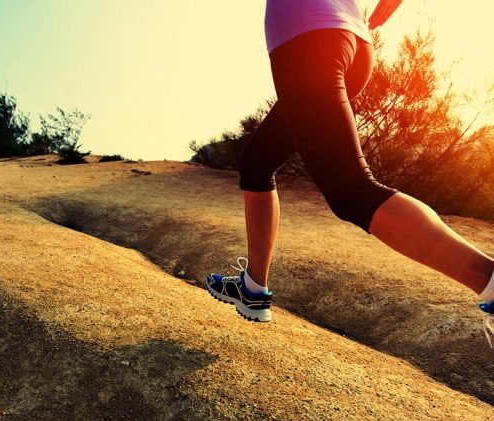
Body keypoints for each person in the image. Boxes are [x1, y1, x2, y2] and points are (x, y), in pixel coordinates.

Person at [206, 0, 494, 344]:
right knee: (256, 163)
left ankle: (489, 279)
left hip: (307, 37)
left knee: (352, 192)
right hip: (350, 40)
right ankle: (253, 289)